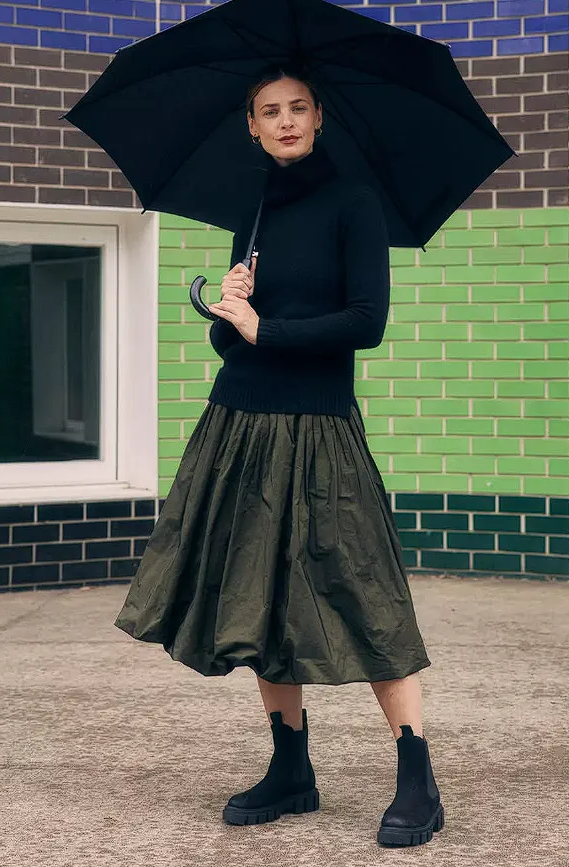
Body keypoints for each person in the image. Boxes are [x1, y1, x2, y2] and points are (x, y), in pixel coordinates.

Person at [113, 68, 443, 848]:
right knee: (254, 594)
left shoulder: (352, 202)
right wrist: (228, 310)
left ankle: (416, 774)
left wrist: (269, 331)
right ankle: (290, 766)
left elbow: (366, 322)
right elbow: (236, 336)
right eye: (270, 111)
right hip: (238, 421)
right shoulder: (254, 210)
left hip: (319, 424)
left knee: (363, 595)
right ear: (250, 127)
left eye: (298, 107)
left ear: (320, 117)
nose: (285, 121)